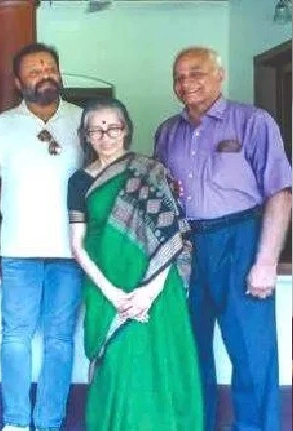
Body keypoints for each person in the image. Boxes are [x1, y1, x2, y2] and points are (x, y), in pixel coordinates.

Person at [154, 46, 292, 431]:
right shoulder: (167, 132)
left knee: (251, 350)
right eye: (179, 77)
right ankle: (195, 424)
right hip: (186, 246)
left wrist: (266, 262)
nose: (186, 83)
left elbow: (280, 193)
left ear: (220, 75)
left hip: (240, 240)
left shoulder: (252, 121)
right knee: (189, 347)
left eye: (196, 73)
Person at [67, 98, 203, 430]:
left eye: (112, 128)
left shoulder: (150, 172)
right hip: (106, 284)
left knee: (157, 363)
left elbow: (172, 238)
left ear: (126, 129)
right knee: (115, 365)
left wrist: (148, 293)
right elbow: (78, 245)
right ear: (86, 136)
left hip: (156, 287)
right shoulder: (79, 181)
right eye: (95, 130)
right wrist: (113, 294)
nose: (105, 136)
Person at [0, 43, 83, 431]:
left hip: (72, 253)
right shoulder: (0, 126)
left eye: (50, 68)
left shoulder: (84, 121)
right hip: (18, 251)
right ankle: (17, 422)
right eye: (34, 71)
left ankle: (50, 422)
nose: (44, 75)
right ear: (19, 83)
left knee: (60, 340)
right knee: (15, 338)